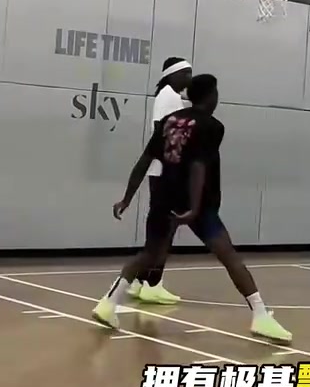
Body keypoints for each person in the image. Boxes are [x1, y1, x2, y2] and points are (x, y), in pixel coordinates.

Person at [92, 74, 292, 344]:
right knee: (229, 256)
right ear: (210, 96)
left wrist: (127, 198)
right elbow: (199, 165)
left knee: (150, 254)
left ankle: (108, 304)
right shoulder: (212, 126)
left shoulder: (169, 121)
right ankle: (261, 316)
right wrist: (194, 208)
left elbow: (145, 159)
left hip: (164, 197)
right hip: (198, 204)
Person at [128, 57, 192, 306]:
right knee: (165, 229)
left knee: (158, 228)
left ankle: (140, 281)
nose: (189, 78)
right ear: (172, 75)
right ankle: (153, 284)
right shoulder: (170, 97)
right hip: (166, 172)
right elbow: (163, 133)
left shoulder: (168, 96)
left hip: (162, 170)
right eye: (186, 73)